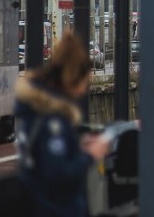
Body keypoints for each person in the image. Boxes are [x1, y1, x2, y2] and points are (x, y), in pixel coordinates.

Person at [14, 30, 111, 216]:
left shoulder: (36, 111)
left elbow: (46, 159)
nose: (84, 90)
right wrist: (91, 155)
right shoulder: (52, 119)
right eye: (85, 82)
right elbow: (58, 174)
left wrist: (77, 147)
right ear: (73, 78)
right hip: (56, 210)